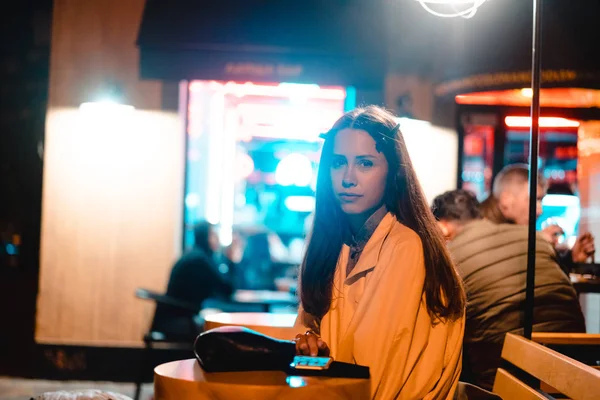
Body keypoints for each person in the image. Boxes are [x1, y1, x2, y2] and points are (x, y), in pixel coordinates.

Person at [293, 106, 466, 399]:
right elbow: (305, 327)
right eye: (338, 163)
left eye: (365, 163)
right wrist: (308, 341)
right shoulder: (338, 242)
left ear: (394, 173)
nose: (348, 178)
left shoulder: (405, 247)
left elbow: (378, 377)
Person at [432, 189, 586, 390]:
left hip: (504, 379)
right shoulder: (535, 238)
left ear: (442, 227)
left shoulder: (448, 259)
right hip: (577, 367)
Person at [481, 164, 595, 270]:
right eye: (534, 199)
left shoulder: (506, 228)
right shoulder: (482, 227)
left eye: (541, 200)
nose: (540, 210)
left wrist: (571, 258)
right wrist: (538, 241)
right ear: (506, 199)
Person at [152, 221, 233, 338]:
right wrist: (230, 260)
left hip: (175, 316)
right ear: (206, 237)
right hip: (180, 320)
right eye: (214, 235)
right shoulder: (200, 260)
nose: (217, 239)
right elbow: (227, 289)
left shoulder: (193, 255)